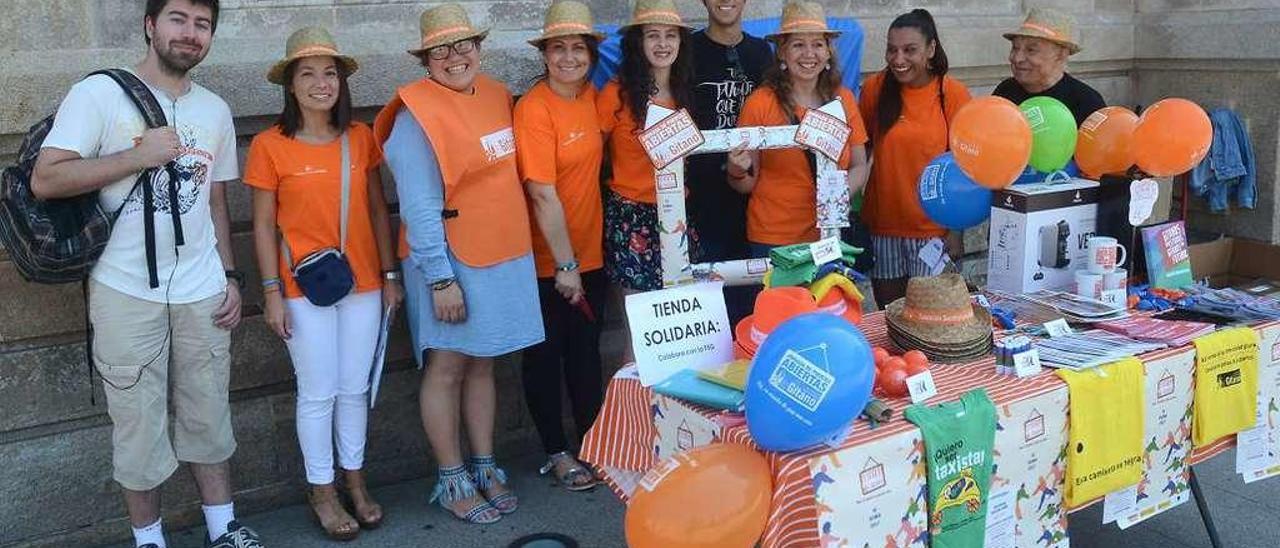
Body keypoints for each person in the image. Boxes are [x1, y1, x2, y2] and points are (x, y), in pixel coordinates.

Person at [29, 1, 263, 547]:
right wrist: (137, 157)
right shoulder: (100, 94)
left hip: (202, 288)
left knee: (208, 410)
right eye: (178, 19)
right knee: (137, 422)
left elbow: (215, 198)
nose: (190, 33)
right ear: (150, 25)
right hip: (124, 288)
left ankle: (223, 528)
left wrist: (231, 275)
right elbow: (47, 178)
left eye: (202, 24)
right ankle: (149, 540)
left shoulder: (215, 110)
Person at [373, 4, 543, 525]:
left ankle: (485, 463)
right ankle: (451, 476)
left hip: (499, 250)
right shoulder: (412, 117)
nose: (454, 56)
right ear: (426, 59)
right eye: (440, 49)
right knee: (447, 366)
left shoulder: (496, 95)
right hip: (447, 261)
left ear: (479, 48)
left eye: (463, 44)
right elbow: (419, 206)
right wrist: (441, 278)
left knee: (484, 359)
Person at [244, 27, 400, 540]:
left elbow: (379, 209)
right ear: (290, 85)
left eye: (329, 73)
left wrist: (390, 274)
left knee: (355, 388)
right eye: (307, 74)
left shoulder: (360, 137)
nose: (320, 83)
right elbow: (263, 225)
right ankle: (322, 490)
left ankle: (355, 480)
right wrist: (270, 291)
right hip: (301, 288)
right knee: (317, 392)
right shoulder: (269, 145)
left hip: (364, 283)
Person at [513, 0, 607, 493]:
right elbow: (541, 192)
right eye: (558, 48)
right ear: (545, 54)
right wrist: (564, 264)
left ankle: (593, 444)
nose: (568, 57)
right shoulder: (534, 108)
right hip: (549, 262)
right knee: (546, 359)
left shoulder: (594, 98)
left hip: (594, 253)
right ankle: (556, 451)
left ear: (591, 54)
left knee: (586, 355)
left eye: (577, 47)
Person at [728, 1, 869, 256]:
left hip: (830, 234)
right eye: (798, 44)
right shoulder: (760, 103)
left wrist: (838, 195)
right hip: (774, 238)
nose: (809, 53)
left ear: (828, 52)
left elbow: (860, 164)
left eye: (817, 44)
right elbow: (746, 183)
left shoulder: (843, 100)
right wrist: (736, 170)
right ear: (782, 52)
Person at [597, 0, 696, 361]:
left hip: (678, 216)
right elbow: (593, 156)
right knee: (641, 336)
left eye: (670, 35)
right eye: (652, 35)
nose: (662, 43)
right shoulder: (616, 93)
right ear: (637, 43)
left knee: (678, 332)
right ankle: (632, 415)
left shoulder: (684, 92)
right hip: (631, 217)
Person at [859, 9, 972, 307]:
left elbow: (965, 167)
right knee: (890, 319)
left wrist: (956, 231)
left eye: (910, 50)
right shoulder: (873, 89)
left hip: (935, 233)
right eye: (891, 50)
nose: (898, 59)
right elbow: (862, 151)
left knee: (932, 321)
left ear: (931, 49)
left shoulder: (953, 93)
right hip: (883, 229)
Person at [688, 0, 772, 326]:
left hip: (757, 194)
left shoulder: (762, 53)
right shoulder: (687, 51)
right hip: (704, 196)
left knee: (755, 298)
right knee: (712, 299)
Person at [993, 7, 1105, 125]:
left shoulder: (1086, 102)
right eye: (1015, 48)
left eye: (1031, 50)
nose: (1017, 58)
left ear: (1061, 54)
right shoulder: (1005, 91)